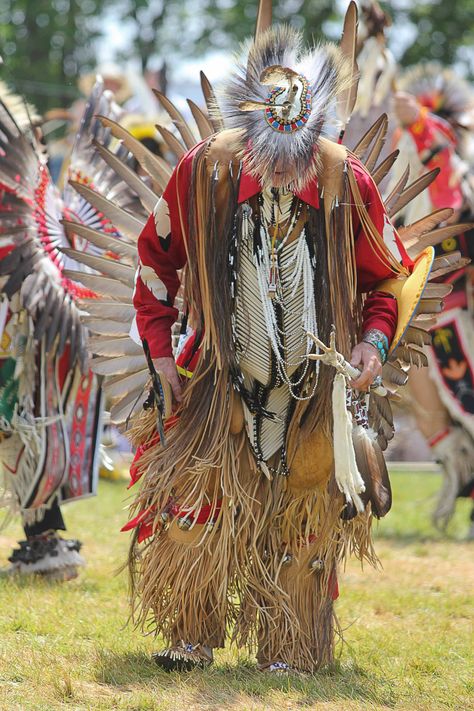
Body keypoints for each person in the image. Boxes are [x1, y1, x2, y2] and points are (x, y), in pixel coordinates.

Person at [124, 13, 447, 673]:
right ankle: (192, 632)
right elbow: (155, 265)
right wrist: (161, 358)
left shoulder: (342, 179)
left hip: (311, 383)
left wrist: (373, 346)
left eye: (293, 170)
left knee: (304, 524)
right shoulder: (204, 172)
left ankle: (292, 649)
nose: (280, 183)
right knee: (197, 505)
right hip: (219, 375)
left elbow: (387, 276)